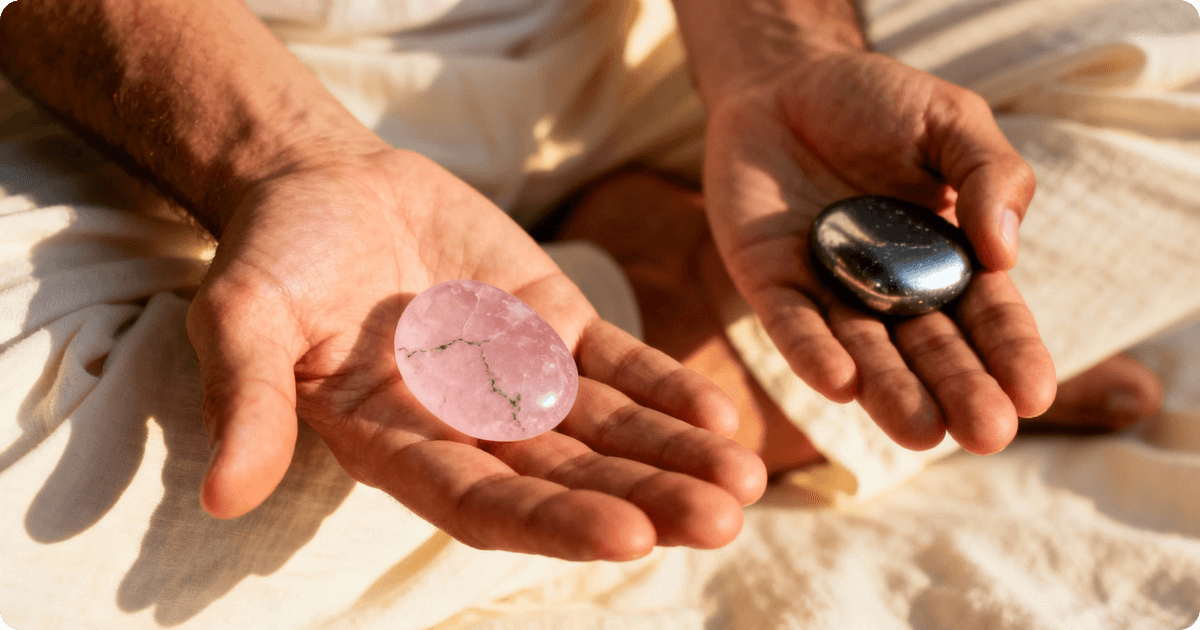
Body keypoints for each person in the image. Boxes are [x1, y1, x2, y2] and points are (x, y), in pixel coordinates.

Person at [0, 0, 1161, 563]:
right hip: (186, 84)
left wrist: (785, 54)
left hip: (628, 39)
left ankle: (682, 300)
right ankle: (665, 305)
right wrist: (281, 156)